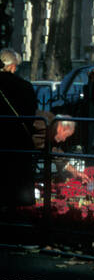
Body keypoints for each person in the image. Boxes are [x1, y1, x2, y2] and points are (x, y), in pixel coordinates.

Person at [0, 47, 38, 212]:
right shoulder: (24, 86)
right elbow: (31, 115)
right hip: (18, 143)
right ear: (14, 66)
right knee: (15, 194)